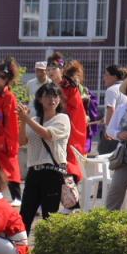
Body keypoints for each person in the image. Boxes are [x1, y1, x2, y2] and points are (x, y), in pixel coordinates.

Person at [16, 82, 70, 231]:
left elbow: (47, 134)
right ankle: (20, 250)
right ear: (40, 99)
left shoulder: (62, 118)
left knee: (50, 216)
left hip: (53, 172)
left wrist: (26, 119)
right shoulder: (33, 120)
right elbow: (22, 141)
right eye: (48, 96)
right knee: (25, 214)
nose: (52, 100)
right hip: (34, 171)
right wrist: (22, 121)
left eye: (55, 96)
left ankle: (48, 251)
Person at [0, 58, 23, 205]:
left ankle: (17, 197)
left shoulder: (9, 97)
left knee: (10, 166)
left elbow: (5, 116)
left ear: (6, 80)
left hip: (6, 136)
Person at [48, 53, 87, 182]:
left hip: (70, 128)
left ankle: (69, 189)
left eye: (54, 68)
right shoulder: (51, 87)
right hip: (56, 126)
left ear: (62, 69)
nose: (50, 71)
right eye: (48, 69)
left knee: (68, 157)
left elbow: (73, 109)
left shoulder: (70, 86)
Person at [103, 76, 127, 210]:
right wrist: (119, 134)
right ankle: (109, 223)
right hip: (125, 156)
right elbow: (109, 130)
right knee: (116, 190)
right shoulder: (121, 109)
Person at [99, 65, 127, 155]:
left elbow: (111, 110)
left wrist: (108, 129)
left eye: (106, 75)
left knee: (105, 155)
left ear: (114, 76)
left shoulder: (111, 90)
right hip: (124, 131)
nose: (104, 77)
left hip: (114, 133)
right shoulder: (126, 88)